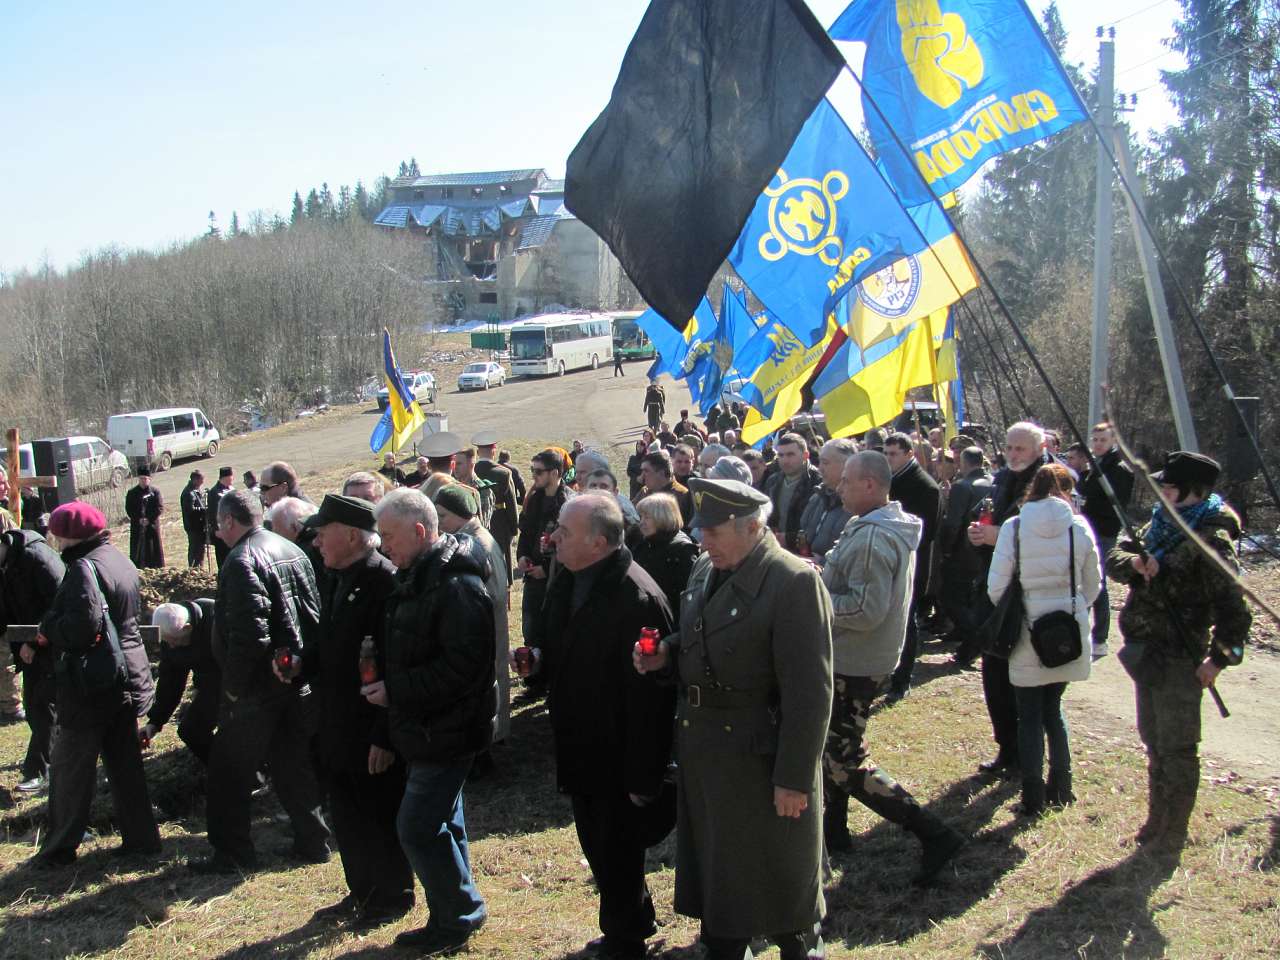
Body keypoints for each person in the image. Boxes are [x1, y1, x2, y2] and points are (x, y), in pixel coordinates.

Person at [634, 478, 832, 960]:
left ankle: (799, 945)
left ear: (752, 528)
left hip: (760, 758)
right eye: (701, 531)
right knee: (723, 874)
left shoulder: (793, 582)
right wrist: (667, 653)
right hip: (707, 751)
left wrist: (793, 778)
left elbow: (809, 694)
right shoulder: (708, 567)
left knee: (780, 878)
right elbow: (700, 633)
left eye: (714, 531)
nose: (704, 541)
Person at [524, 495, 675, 960]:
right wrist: (538, 662)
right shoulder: (569, 578)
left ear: (598, 542)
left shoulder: (637, 598)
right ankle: (633, 921)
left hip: (617, 750)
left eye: (564, 532)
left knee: (616, 848)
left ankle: (626, 941)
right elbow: (562, 644)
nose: (553, 538)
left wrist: (644, 774)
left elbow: (652, 698)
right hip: (580, 739)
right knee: (597, 842)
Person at [820, 452, 966, 878]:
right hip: (858, 657)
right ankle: (834, 832)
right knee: (833, 747)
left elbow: (865, 609)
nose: (839, 487)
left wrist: (816, 598)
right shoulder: (872, 525)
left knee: (843, 761)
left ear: (870, 485)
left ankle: (933, 833)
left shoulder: (873, 536)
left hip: (855, 661)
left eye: (846, 481)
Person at [368, 489, 495, 954]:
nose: (383, 545)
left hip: (447, 729)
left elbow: (463, 669)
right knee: (444, 821)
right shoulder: (418, 576)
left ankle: (456, 916)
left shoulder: (456, 587)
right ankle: (456, 910)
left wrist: (396, 691)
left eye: (389, 536)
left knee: (417, 828)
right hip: (427, 726)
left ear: (420, 532)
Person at [1106, 451, 1250, 857]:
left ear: (1195, 492)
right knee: (1153, 742)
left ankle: (1174, 833)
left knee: (1177, 749)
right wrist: (1137, 564)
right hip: (1145, 651)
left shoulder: (1212, 540)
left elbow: (1236, 611)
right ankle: (1156, 821)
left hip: (1180, 656)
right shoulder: (1160, 523)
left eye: (1170, 488)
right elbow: (1115, 556)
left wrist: (1217, 661)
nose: (1163, 493)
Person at [193, 489, 329, 874]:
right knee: (292, 765)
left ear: (230, 521)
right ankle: (313, 840)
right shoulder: (292, 550)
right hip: (294, 677)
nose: (217, 533)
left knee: (227, 770)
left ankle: (232, 853)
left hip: (257, 688)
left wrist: (233, 689)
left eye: (219, 525)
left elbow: (250, 635)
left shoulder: (241, 560)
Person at [303, 494, 414, 930]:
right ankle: (362, 890)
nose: (315, 541)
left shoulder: (383, 582)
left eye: (322, 533)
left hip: (369, 727)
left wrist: (383, 735)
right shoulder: (336, 576)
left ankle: (392, 895)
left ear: (351, 536)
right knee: (347, 814)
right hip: (336, 722)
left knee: (377, 812)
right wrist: (298, 667)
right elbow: (329, 645)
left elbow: (394, 663)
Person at [33, 503, 161, 866]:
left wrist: (49, 628)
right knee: (125, 766)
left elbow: (80, 628)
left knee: (70, 768)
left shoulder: (82, 569)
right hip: (128, 674)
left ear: (69, 535)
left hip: (91, 684)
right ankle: (142, 840)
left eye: (58, 534)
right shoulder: (118, 559)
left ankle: (59, 848)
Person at [988, 463, 1100, 816]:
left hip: (1027, 627)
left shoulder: (1015, 527)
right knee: (1053, 709)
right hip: (1067, 628)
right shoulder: (1079, 527)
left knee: (1029, 715)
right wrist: (1071, 607)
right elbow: (1093, 585)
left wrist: (1023, 606)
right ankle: (1063, 786)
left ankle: (1032, 795)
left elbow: (996, 586)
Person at [967, 422, 1053, 777]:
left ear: (1040, 448)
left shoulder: (1051, 481)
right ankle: (1006, 747)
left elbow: (1049, 533)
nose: (1013, 454)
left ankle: (1027, 755)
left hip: (1029, 591)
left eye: (1021, 448)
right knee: (994, 674)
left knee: (1025, 680)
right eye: (1009, 447)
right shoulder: (1003, 478)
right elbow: (988, 511)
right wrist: (979, 530)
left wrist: (998, 535)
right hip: (995, 585)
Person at [434, 484, 511, 748]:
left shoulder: (479, 543)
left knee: (493, 677)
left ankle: (496, 733)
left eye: (443, 515)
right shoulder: (466, 537)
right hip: (482, 626)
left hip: (487, 627)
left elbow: (497, 592)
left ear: (460, 514)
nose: (439, 522)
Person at [1, 516, 65, 794]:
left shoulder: (36, 557)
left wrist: (34, 642)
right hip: (29, 650)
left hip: (53, 645)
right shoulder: (6, 565)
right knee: (37, 707)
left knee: (43, 707)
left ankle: (39, 771)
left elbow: (60, 603)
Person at [883, 433, 942, 701]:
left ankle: (902, 678)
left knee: (907, 621)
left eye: (893, 454)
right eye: (886, 454)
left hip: (913, 562)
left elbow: (925, 534)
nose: (888, 459)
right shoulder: (891, 480)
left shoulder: (925, 486)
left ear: (909, 454)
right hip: (890, 559)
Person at [1080, 422, 1134, 658]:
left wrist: (1088, 503)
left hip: (1104, 531)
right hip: (1088, 527)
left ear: (1113, 441)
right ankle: (1083, 631)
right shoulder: (1093, 465)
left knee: (1098, 583)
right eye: (1095, 440)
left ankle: (1099, 637)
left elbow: (1116, 504)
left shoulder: (1119, 469)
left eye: (1103, 440)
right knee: (1086, 580)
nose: (1098, 444)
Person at [144, 599, 221, 765]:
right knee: (190, 730)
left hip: (236, 682)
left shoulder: (217, 618)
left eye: (175, 641)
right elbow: (170, 680)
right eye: (167, 642)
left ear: (188, 628)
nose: (171, 647)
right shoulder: (170, 636)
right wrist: (155, 721)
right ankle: (222, 769)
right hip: (209, 687)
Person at [938, 447, 993, 665]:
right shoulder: (993, 483)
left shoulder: (962, 486)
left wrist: (946, 549)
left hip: (963, 550)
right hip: (983, 548)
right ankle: (962, 632)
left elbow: (953, 523)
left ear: (963, 463)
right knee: (967, 597)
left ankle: (973, 638)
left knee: (950, 596)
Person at [517, 449, 574, 654]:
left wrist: (548, 568)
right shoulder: (534, 499)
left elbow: (572, 547)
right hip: (532, 579)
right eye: (532, 470)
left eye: (539, 471)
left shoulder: (568, 504)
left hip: (556, 582)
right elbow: (525, 533)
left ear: (555, 473)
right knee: (530, 632)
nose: (534, 475)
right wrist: (522, 556)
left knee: (552, 635)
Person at [632, 493, 698, 617]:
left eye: (647, 517)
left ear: (663, 517)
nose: (641, 523)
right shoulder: (643, 543)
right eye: (641, 517)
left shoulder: (682, 550)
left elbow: (687, 596)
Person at [797, 439, 856, 563]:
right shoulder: (817, 497)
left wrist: (823, 562)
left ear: (847, 465)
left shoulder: (857, 506)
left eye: (825, 462)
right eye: (820, 462)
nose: (820, 468)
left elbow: (855, 557)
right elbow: (803, 533)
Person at [473, 431, 520, 582]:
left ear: (478, 452)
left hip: (475, 521)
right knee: (501, 561)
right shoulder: (504, 473)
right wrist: (513, 528)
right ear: (494, 452)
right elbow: (511, 503)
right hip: (499, 521)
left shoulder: (470, 472)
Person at [765, 432, 823, 553]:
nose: (785, 460)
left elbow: (818, 525)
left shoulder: (818, 482)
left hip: (805, 552)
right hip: (776, 549)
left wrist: (789, 538)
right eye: (781, 455)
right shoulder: (772, 481)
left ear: (805, 455)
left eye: (790, 455)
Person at [632, 450, 694, 531]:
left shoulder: (683, 495)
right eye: (642, 471)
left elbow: (686, 528)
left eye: (646, 471)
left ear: (662, 473)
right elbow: (631, 514)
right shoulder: (644, 491)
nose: (642, 476)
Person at [125, 467, 165, 569]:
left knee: (153, 547)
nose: (143, 481)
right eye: (141, 478)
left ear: (149, 479)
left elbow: (159, 508)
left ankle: (155, 567)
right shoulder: (132, 493)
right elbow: (129, 509)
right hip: (137, 525)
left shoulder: (155, 492)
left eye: (145, 479)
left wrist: (149, 519)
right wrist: (138, 519)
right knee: (138, 548)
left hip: (152, 525)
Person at [207, 466, 236, 568]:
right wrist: (216, 529)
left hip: (233, 528)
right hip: (222, 530)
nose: (233, 479)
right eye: (232, 477)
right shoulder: (214, 492)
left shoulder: (232, 489)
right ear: (226, 477)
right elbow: (212, 512)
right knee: (223, 558)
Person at [181, 470, 208, 568]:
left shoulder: (195, 490)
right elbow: (190, 510)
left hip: (198, 525)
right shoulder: (188, 493)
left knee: (200, 549)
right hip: (193, 526)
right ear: (195, 480)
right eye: (201, 480)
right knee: (195, 549)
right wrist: (204, 510)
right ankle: (194, 568)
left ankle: (200, 567)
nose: (203, 482)